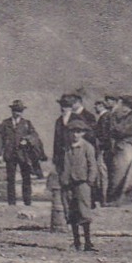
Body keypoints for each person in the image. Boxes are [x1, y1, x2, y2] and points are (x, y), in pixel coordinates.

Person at [51, 92, 97, 229]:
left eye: (66, 106)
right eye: (62, 106)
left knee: (82, 205)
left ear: (72, 107)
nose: (63, 108)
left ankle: (87, 238)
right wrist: (56, 159)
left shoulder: (78, 119)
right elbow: (56, 141)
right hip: (64, 158)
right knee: (69, 204)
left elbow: (88, 137)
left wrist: (90, 178)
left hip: (79, 158)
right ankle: (76, 238)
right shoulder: (58, 121)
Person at [0, 100, 46, 206]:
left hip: (23, 155)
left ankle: (27, 201)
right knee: (10, 179)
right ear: (11, 111)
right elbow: (0, 138)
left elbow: (34, 135)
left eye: (19, 111)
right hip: (10, 154)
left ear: (22, 111)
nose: (17, 113)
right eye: (15, 110)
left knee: (26, 178)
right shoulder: (5, 123)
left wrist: (27, 140)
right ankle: (11, 202)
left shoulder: (26, 124)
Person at [63, 119, 101, 251]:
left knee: (84, 212)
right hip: (69, 184)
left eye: (78, 132)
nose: (75, 135)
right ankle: (76, 241)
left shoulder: (87, 147)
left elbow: (93, 165)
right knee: (72, 212)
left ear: (83, 133)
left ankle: (88, 242)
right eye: (72, 132)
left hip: (83, 183)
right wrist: (64, 180)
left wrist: (90, 181)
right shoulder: (67, 148)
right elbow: (64, 165)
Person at [106, 94, 132, 204]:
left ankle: (117, 199)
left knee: (121, 173)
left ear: (130, 107)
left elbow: (120, 131)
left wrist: (113, 122)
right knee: (117, 172)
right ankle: (115, 199)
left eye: (125, 106)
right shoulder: (123, 118)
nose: (123, 108)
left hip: (126, 147)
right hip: (120, 146)